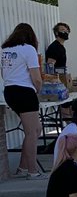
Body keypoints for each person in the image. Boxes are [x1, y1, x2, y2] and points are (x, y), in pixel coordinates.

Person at [1, 23, 43, 178]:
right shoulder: (28, 49)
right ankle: (33, 171)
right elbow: (36, 78)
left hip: (10, 91)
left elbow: (3, 73)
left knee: (36, 129)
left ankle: (22, 167)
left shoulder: (5, 50)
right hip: (25, 91)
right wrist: (37, 90)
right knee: (32, 132)